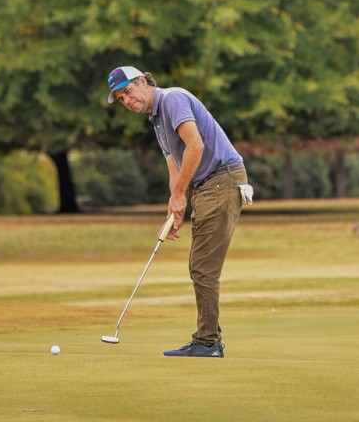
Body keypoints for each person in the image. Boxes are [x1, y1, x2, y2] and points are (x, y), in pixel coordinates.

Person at [107, 65, 251, 358]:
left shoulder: (172, 99)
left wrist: (179, 195)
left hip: (221, 179)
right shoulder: (157, 120)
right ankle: (208, 341)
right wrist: (175, 207)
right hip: (208, 184)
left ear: (143, 81)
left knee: (203, 266)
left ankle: (208, 343)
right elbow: (175, 168)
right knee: (201, 265)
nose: (127, 100)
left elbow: (195, 147)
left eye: (128, 91)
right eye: (121, 99)